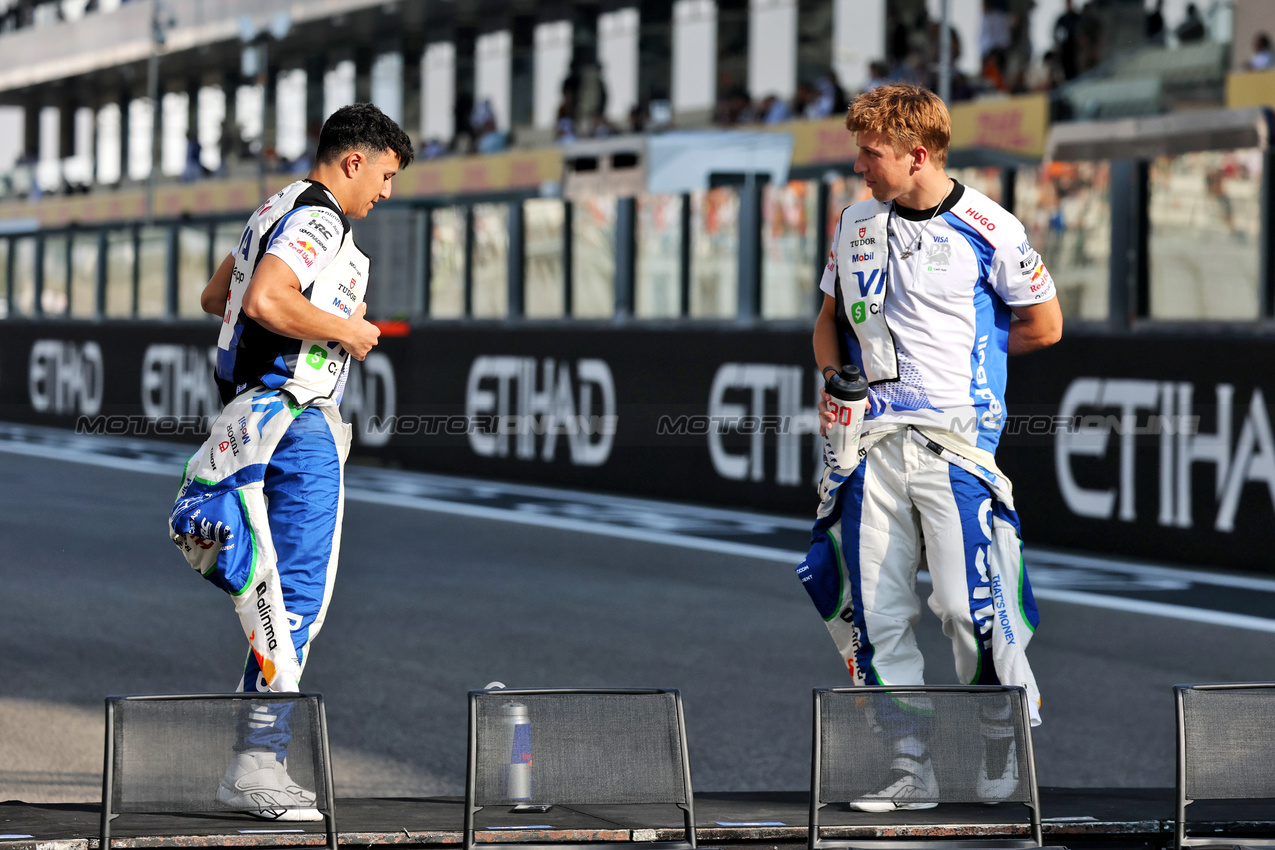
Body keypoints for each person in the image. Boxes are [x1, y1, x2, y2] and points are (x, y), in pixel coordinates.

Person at [797, 84, 1062, 812]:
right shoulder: (853, 221)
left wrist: (974, 361)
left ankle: (998, 732)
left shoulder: (990, 226)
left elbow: (1045, 326)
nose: (859, 166)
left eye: (870, 154)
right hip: (869, 447)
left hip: (955, 446)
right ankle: (910, 767)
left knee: (967, 608)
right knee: (874, 614)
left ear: (917, 155)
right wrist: (835, 378)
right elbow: (827, 321)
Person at [168, 102, 413, 821]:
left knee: (270, 588)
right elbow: (267, 298)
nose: (386, 192)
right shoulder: (321, 219)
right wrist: (347, 331)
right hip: (296, 416)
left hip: (248, 417)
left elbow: (217, 296)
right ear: (353, 160)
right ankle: (256, 762)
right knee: (299, 593)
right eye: (385, 175)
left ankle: (258, 758)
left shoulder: (274, 206)